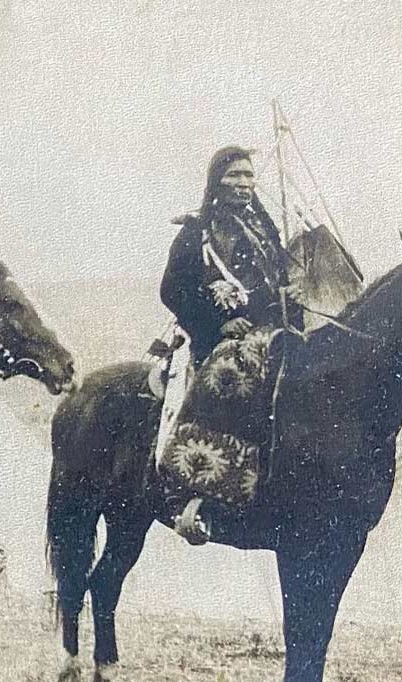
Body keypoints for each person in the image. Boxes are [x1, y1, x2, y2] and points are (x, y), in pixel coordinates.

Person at [157, 146, 303, 543]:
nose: (243, 184)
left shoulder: (264, 228)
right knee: (233, 376)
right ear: (217, 181)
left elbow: (279, 281)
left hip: (271, 330)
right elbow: (172, 289)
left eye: (249, 176)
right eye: (234, 176)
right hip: (222, 338)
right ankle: (199, 492)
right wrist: (218, 323)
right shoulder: (197, 231)